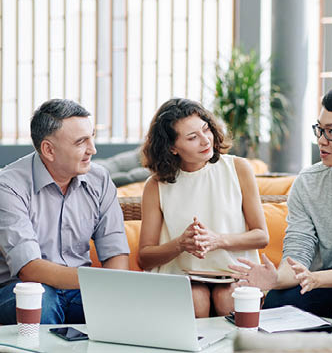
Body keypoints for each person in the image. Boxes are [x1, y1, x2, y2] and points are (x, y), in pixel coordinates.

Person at [230, 84, 332, 318]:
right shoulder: (308, 182)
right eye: (319, 129)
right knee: (276, 304)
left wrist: (317, 278)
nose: (321, 140)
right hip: (321, 286)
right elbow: (299, 249)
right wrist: (276, 279)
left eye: (331, 132)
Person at [0, 99, 130, 325]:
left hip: (78, 289)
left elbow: (115, 252)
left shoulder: (99, 180)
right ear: (48, 150)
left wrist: (113, 290)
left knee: (126, 308)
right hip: (20, 291)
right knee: (42, 301)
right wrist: (102, 281)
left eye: (92, 138)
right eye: (81, 142)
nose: (93, 149)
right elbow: (30, 269)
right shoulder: (8, 186)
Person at [138, 98, 269, 317]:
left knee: (228, 299)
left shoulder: (238, 168)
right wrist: (180, 244)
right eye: (192, 137)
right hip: (181, 277)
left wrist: (218, 240)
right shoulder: (155, 186)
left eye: (206, 129)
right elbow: (144, 257)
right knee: (195, 299)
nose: (205, 140)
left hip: (233, 275)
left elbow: (261, 236)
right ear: (172, 148)